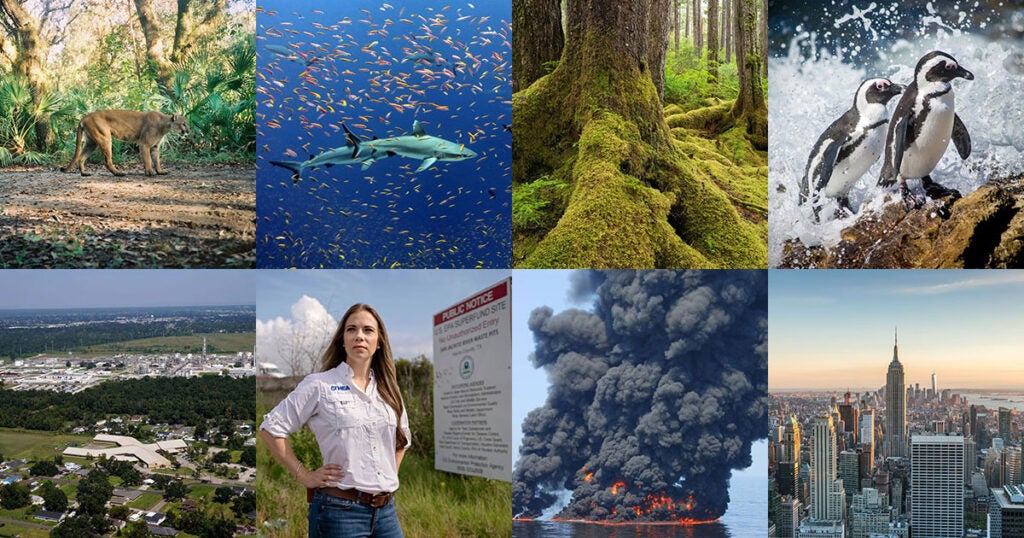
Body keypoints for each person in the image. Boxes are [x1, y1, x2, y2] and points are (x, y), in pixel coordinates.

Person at [259, 303, 411, 538]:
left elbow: (402, 441)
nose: (359, 336)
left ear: (379, 342)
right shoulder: (319, 384)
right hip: (339, 513)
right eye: (352, 329)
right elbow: (270, 429)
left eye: (368, 330)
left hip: (386, 513)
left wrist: (386, 478)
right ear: (342, 339)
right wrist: (304, 475)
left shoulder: (389, 390)